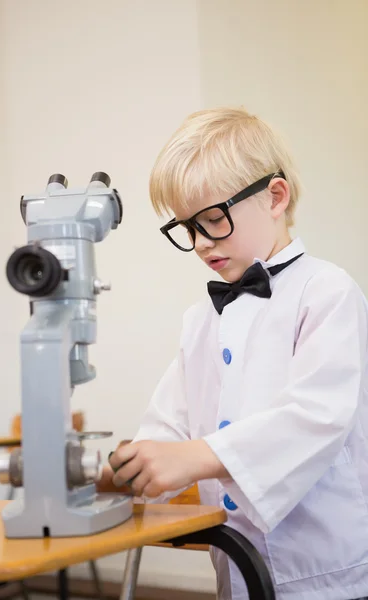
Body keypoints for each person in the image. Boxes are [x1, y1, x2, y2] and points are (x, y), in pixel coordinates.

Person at [107, 107, 368, 600]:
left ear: (275, 196)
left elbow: (318, 415)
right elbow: (170, 424)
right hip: (236, 566)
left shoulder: (327, 292)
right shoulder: (200, 320)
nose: (202, 243)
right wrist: (129, 468)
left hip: (326, 572)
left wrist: (199, 457)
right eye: (187, 228)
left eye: (213, 219)